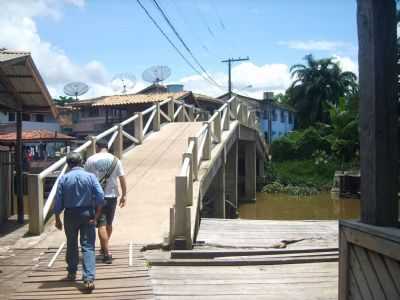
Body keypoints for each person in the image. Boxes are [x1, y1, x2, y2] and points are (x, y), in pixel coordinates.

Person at [54, 152, 104, 291]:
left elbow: (58, 201)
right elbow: (100, 196)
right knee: (88, 245)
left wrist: (57, 218)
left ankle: (71, 272)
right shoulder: (90, 177)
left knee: (71, 243)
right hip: (87, 213)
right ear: (81, 162)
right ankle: (88, 278)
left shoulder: (63, 178)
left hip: (70, 214)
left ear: (68, 164)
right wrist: (97, 215)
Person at [84, 139, 127, 264]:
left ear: (97, 147)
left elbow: (86, 180)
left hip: (97, 197)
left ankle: (106, 252)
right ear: (107, 147)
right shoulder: (115, 160)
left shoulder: (91, 160)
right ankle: (104, 248)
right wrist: (124, 195)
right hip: (112, 196)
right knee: (108, 224)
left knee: (101, 225)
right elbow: (122, 179)